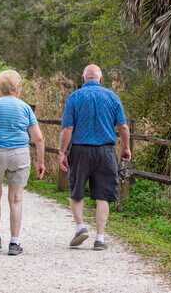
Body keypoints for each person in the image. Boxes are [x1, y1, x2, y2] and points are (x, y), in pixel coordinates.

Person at [0, 70, 46, 256]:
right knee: (16, 198)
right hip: (20, 154)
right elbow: (38, 138)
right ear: (18, 88)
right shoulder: (25, 108)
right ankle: (14, 242)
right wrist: (41, 161)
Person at [59, 64, 131, 251]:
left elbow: (68, 129)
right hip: (106, 152)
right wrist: (126, 148)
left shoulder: (74, 97)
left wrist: (62, 152)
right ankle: (99, 238)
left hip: (80, 150)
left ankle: (81, 227)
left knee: (76, 192)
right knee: (103, 196)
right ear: (100, 79)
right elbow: (123, 127)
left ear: (83, 79)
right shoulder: (112, 97)